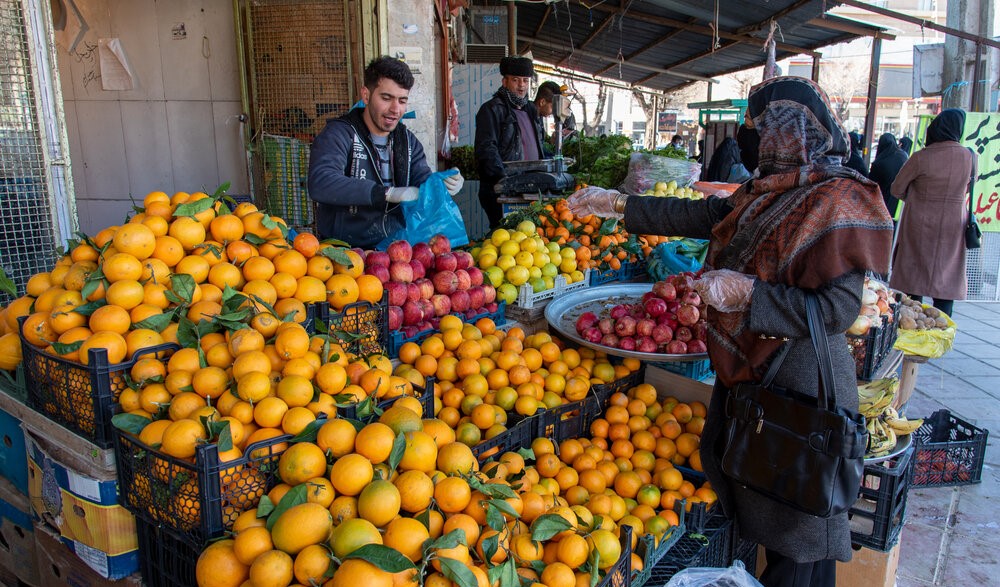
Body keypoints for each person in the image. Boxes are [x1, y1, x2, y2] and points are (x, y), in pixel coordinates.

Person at [566, 76, 893, 587]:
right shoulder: (763, 192)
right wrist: (619, 205)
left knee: (798, 538)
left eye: (771, 131)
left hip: (803, 391)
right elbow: (702, 213)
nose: (762, 143)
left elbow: (837, 309)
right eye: (761, 131)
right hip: (758, 378)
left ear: (801, 132)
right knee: (773, 524)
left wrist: (748, 295)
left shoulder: (839, 202)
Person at [308, 56, 464, 249]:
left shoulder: (408, 142)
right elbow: (321, 182)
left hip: (396, 253)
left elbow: (421, 182)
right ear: (366, 95)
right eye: (386, 98)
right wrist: (386, 193)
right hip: (345, 254)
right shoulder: (340, 134)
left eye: (402, 100)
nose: (395, 109)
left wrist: (441, 184)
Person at [889, 109, 976, 317]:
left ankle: (912, 329)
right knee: (947, 281)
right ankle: (941, 331)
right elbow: (966, 188)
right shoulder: (970, 157)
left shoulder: (922, 157)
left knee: (914, 279)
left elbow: (896, 188)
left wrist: (918, 197)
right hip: (954, 225)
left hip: (920, 224)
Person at [474, 56, 546, 227]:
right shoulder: (491, 109)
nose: (521, 85)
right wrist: (505, 179)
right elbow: (486, 149)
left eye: (525, 80)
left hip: (530, 189)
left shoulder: (531, 110)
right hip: (502, 191)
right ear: (504, 81)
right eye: (515, 80)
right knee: (505, 237)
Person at [867, 132, 908, 221]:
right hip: (900, 203)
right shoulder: (903, 156)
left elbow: (870, 184)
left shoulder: (879, 163)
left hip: (883, 204)